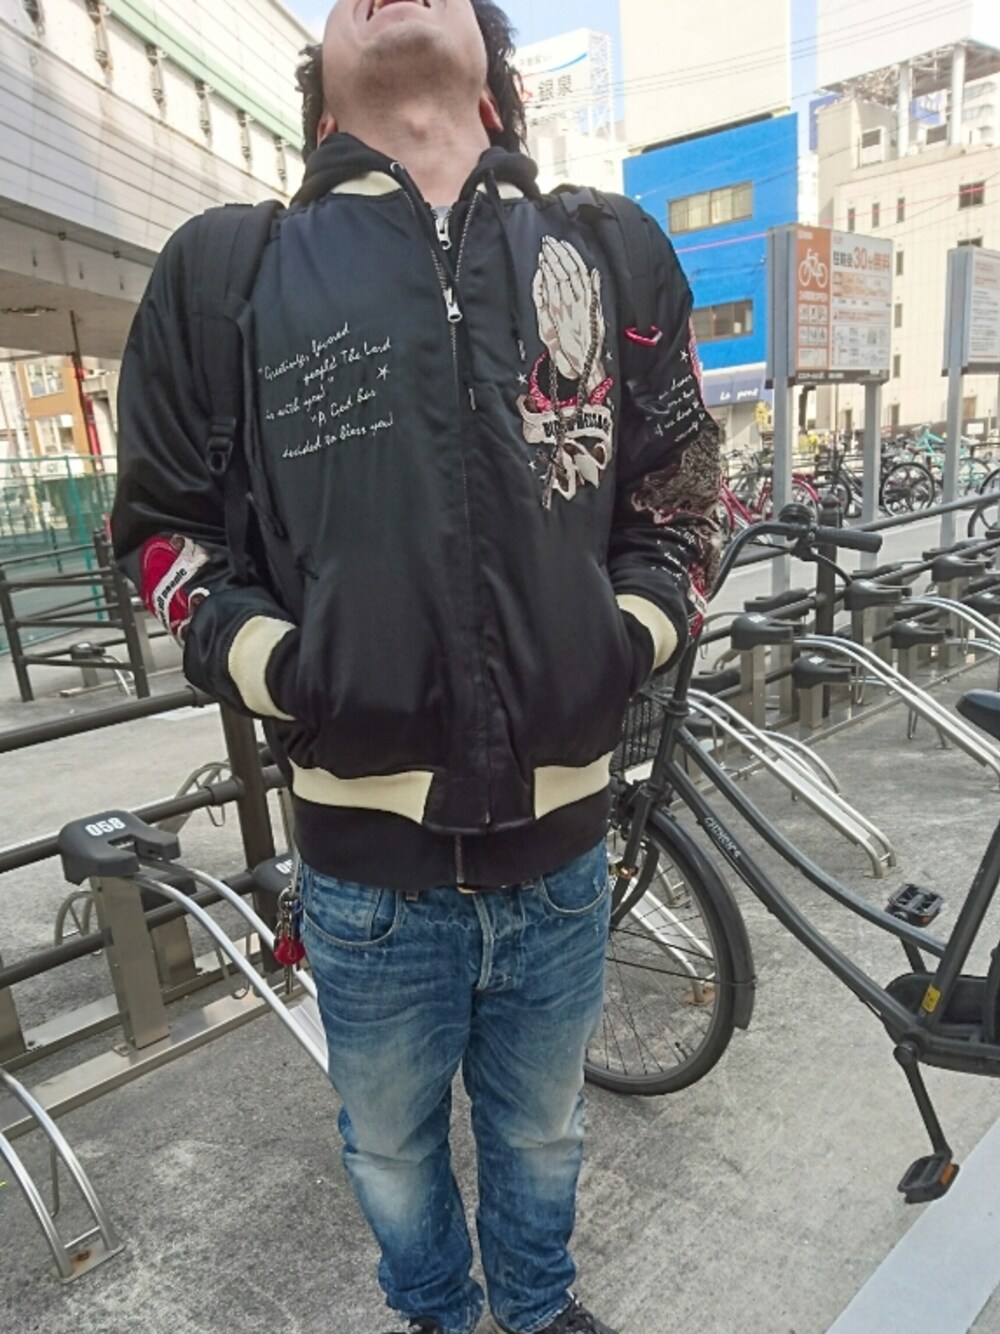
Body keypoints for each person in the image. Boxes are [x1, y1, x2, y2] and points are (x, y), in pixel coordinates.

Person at [111, 2, 722, 1331]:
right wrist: (290, 668)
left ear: (494, 85)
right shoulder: (231, 274)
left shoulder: (607, 254)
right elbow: (160, 534)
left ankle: (538, 1306)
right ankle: (439, 1313)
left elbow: (686, 500)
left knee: (546, 1130)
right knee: (387, 1146)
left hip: (565, 855)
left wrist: (623, 638)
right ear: (321, 97)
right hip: (362, 878)